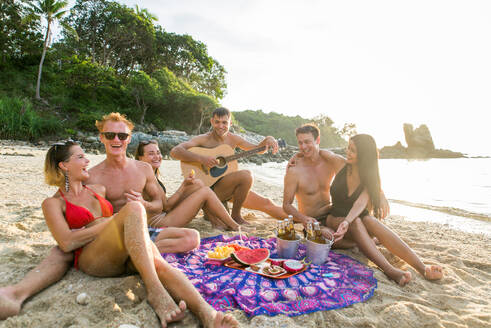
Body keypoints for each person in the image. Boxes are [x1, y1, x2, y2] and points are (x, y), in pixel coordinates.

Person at [1, 113, 239, 327]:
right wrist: (121, 216)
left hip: (126, 241)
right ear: (102, 138)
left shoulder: (98, 187)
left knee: (160, 257)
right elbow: (66, 240)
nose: (86, 161)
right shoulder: (72, 190)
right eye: (109, 134)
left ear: (129, 138)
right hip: (99, 253)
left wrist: (141, 208)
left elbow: (159, 204)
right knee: (136, 222)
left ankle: (208, 314)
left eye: (122, 135)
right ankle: (155, 290)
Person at [284, 124, 443, 285]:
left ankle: (423, 268)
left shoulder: (349, 169)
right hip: (322, 221)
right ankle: (387, 266)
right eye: (300, 143)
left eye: (307, 142)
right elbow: (287, 204)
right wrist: (304, 219)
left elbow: (362, 187)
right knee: (354, 225)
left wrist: (379, 193)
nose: (303, 147)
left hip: (342, 216)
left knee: (367, 220)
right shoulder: (312, 167)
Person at [170, 107, 287, 223]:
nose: (221, 126)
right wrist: (201, 159)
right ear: (212, 122)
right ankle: (235, 216)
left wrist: (268, 139)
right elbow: (175, 151)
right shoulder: (203, 139)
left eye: (224, 122)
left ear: (230, 123)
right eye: (217, 122)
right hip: (209, 190)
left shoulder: (234, 139)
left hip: (227, 187)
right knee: (246, 175)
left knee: (267, 203)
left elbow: (257, 149)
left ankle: (302, 219)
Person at [134, 140, 243, 250]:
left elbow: (165, 205)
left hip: (164, 215)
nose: (157, 156)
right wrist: (182, 188)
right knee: (205, 192)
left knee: (197, 183)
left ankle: (217, 224)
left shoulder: (152, 174)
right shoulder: (142, 177)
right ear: (140, 158)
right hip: (160, 223)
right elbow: (166, 207)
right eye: (151, 154)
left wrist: (184, 185)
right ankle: (234, 226)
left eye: (158, 152)